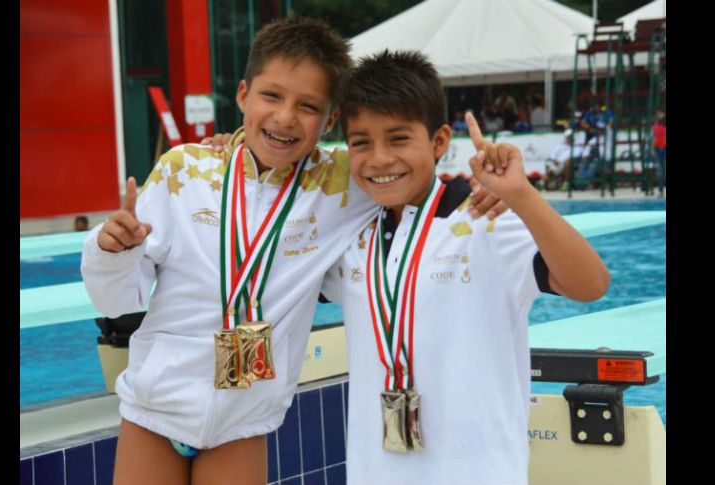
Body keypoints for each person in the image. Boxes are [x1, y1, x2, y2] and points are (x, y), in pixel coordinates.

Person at [82, 17, 505, 485]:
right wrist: (110, 250)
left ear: (329, 122)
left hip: (243, 421)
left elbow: (405, 175)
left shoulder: (343, 183)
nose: (285, 117)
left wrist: (480, 189)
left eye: (308, 106)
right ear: (243, 95)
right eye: (271, 96)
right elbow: (118, 300)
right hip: (154, 411)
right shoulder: (183, 172)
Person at [320, 50, 609, 485]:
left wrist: (523, 197)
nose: (379, 158)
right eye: (361, 142)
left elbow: (590, 284)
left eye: (398, 139)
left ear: (438, 142)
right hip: (374, 473)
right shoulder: (352, 240)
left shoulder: (485, 221)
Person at [651, 108, 666, 197]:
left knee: (663, 169)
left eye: (661, 113)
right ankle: (660, 191)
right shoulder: (655, 125)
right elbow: (654, 137)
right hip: (658, 148)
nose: (659, 115)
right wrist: (652, 148)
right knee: (660, 170)